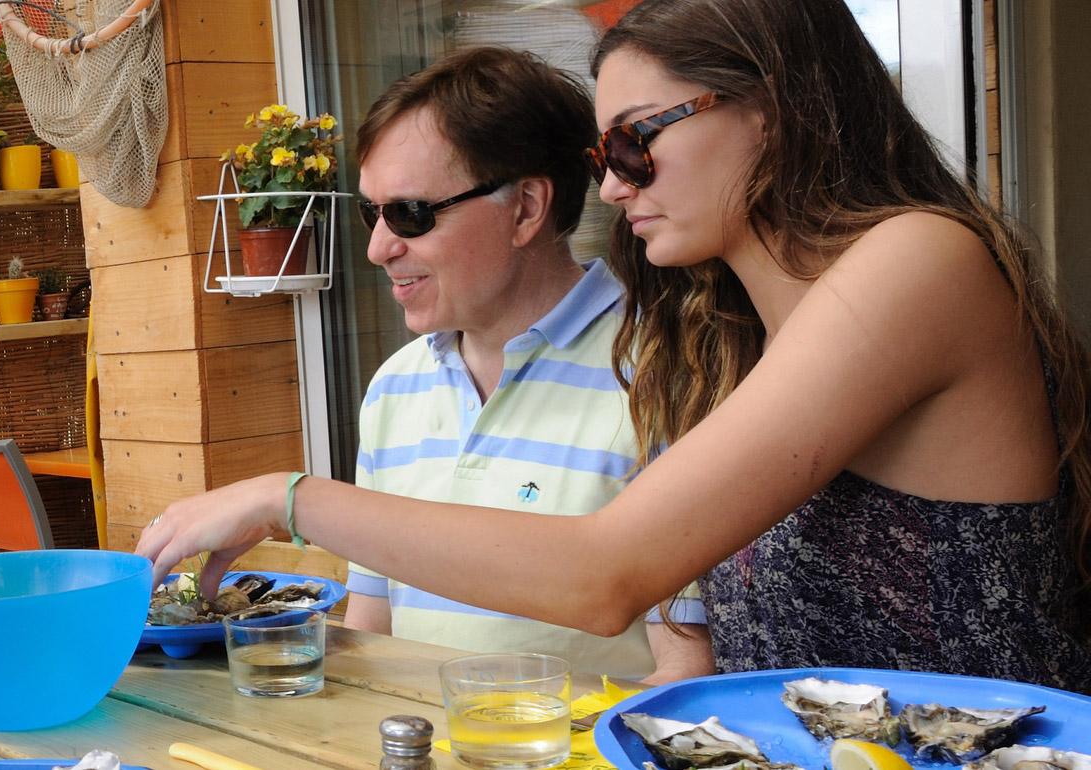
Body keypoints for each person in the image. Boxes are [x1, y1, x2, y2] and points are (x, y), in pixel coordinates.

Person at [136, 0, 1091, 692]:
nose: (617, 186)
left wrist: (286, 499)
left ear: (772, 106)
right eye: (603, 158)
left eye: (637, 141)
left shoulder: (919, 264)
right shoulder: (733, 337)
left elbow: (605, 577)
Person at [341, 46, 706, 682]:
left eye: (410, 213)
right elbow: (371, 633)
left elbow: (686, 667)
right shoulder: (393, 386)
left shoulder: (662, 368)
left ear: (527, 208)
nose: (378, 247)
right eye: (372, 212)